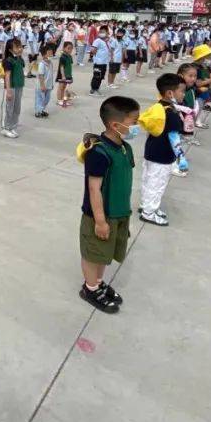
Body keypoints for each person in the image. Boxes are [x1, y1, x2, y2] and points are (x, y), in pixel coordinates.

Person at [78, 95, 140, 313]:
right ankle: (90, 288)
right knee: (93, 252)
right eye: (134, 122)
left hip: (119, 212)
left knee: (104, 252)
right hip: (100, 215)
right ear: (116, 124)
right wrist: (101, 221)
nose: (137, 126)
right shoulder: (99, 152)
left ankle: (98, 282)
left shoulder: (124, 148)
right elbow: (94, 189)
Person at [138, 73, 186, 227]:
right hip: (163, 155)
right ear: (170, 93)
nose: (183, 94)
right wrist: (181, 158)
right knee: (157, 184)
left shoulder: (158, 107)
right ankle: (149, 212)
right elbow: (174, 138)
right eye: (181, 91)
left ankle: (146, 205)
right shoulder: (171, 114)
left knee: (148, 180)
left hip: (151, 151)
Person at [0, 37, 25, 138]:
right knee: (9, 108)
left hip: (19, 86)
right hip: (12, 87)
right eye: (17, 47)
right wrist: (9, 90)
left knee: (17, 108)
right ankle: (6, 128)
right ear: (10, 50)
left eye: (20, 46)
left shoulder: (19, 59)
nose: (20, 49)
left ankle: (13, 126)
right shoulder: (8, 61)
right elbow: (7, 76)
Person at [33, 44, 54, 118]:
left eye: (52, 53)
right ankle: (38, 111)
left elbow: (51, 74)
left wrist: (51, 84)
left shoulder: (50, 63)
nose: (51, 54)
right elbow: (40, 75)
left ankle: (42, 110)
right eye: (49, 53)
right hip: (42, 86)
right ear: (44, 55)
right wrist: (42, 85)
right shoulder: (42, 64)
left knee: (47, 99)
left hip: (48, 85)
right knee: (40, 98)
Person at [56, 40, 75, 107]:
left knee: (64, 88)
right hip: (62, 75)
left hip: (68, 74)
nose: (70, 50)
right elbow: (61, 67)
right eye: (68, 48)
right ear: (64, 48)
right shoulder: (62, 57)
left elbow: (70, 66)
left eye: (71, 48)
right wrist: (63, 76)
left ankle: (63, 100)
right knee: (60, 87)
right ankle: (59, 100)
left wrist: (70, 74)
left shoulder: (70, 56)